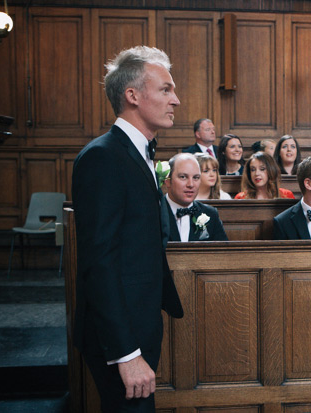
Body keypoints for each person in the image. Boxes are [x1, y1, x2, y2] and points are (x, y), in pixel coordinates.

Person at [72, 46, 183, 412]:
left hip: (139, 321)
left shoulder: (137, 152)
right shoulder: (103, 156)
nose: (176, 100)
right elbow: (98, 262)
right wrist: (126, 353)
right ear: (132, 96)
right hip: (119, 336)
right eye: (166, 89)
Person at [164, 153, 228, 241]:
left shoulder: (210, 214)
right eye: (183, 177)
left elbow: (223, 253)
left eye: (196, 178)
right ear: (168, 181)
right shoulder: (154, 211)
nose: (191, 184)